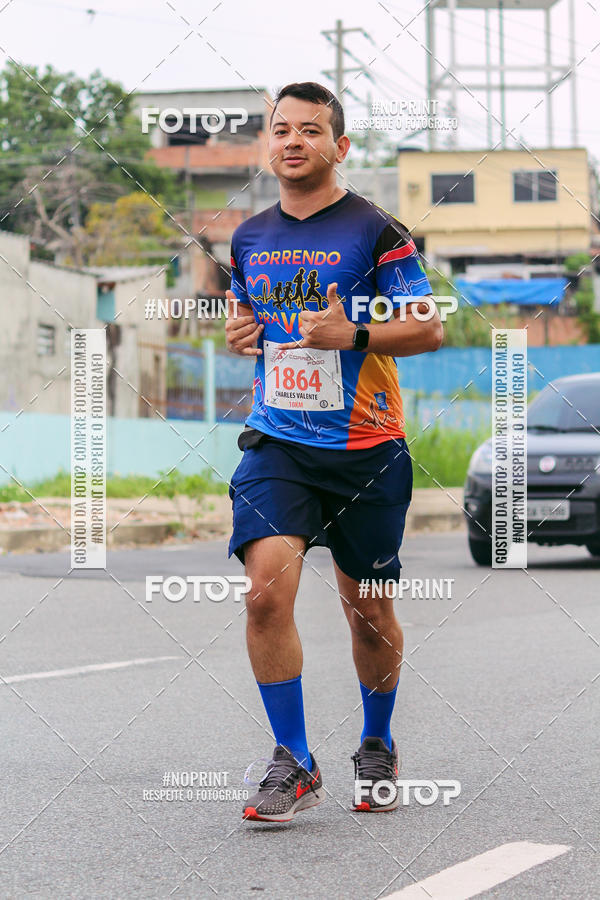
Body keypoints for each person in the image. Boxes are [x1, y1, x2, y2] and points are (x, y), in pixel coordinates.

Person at [225, 81, 442, 822]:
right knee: (264, 594)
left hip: (366, 447)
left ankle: (376, 742)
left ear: (338, 147)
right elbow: (249, 313)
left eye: (309, 130)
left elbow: (427, 328)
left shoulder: (378, 231)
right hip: (278, 441)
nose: (292, 141)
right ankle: (293, 758)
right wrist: (242, 331)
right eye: (281, 129)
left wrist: (348, 334)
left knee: (368, 613)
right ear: (270, 143)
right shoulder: (248, 235)